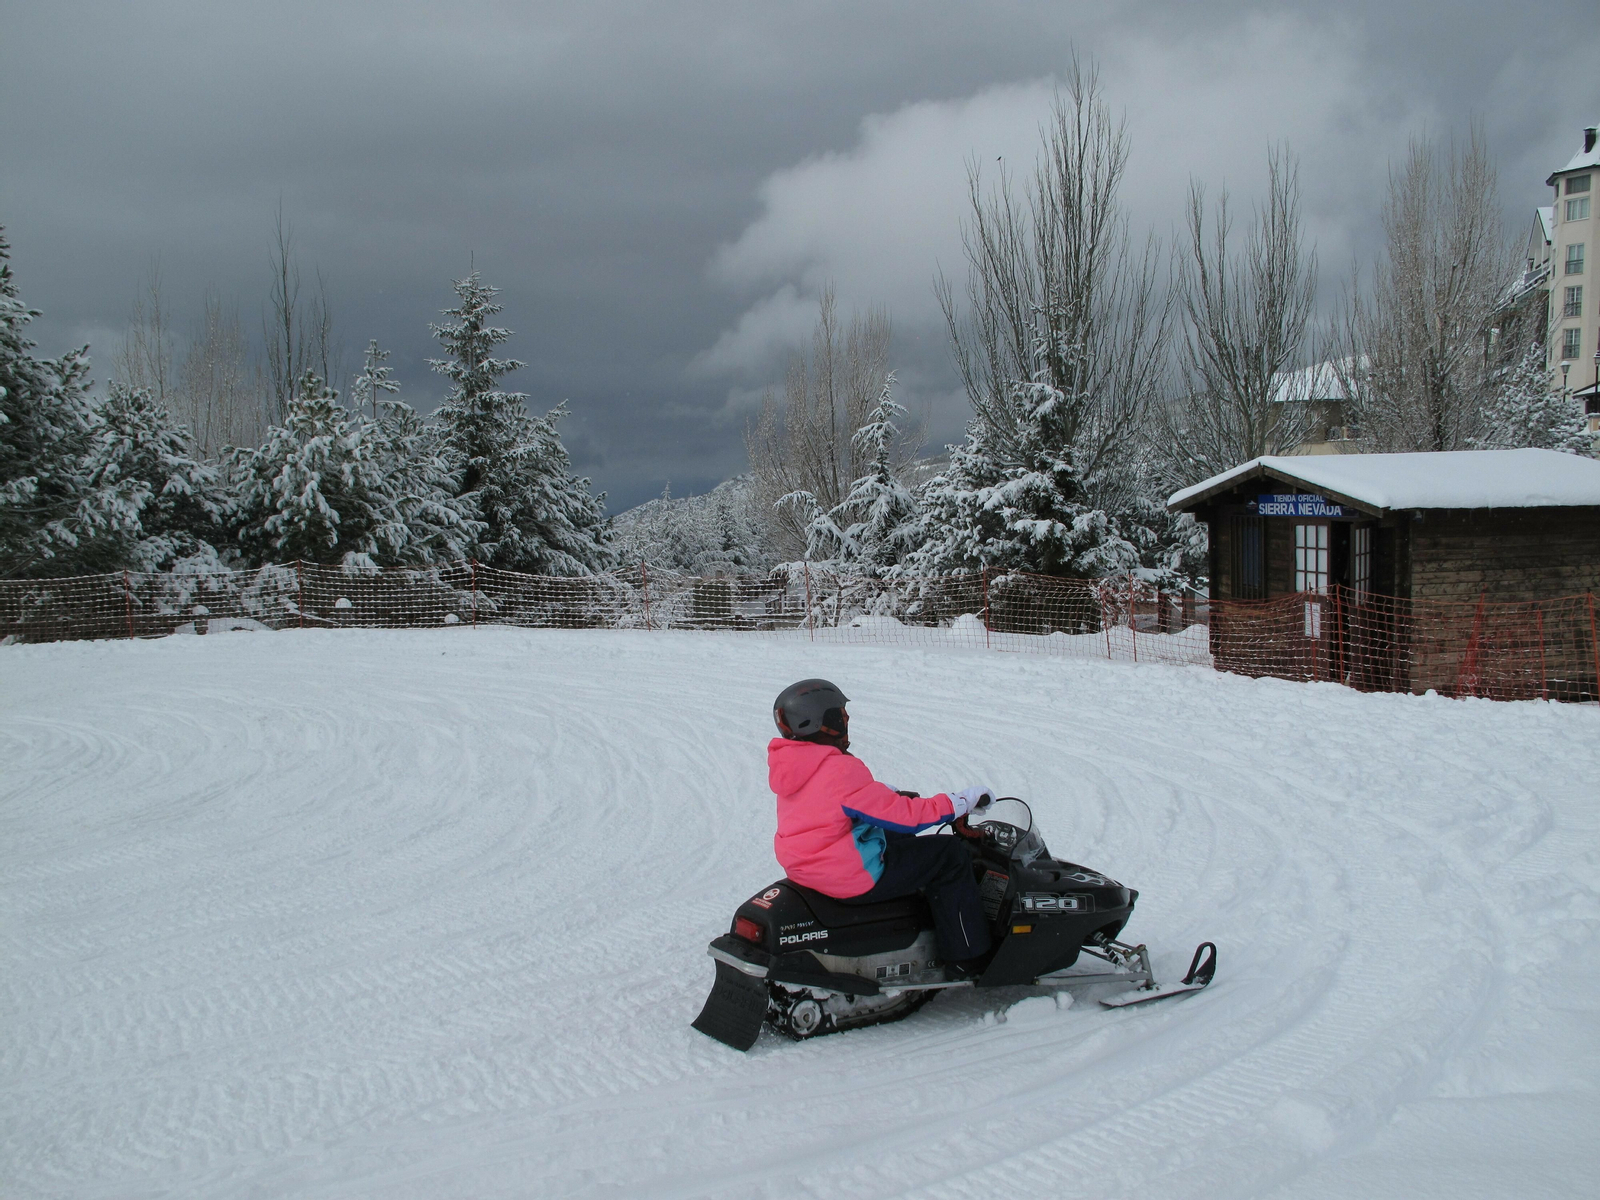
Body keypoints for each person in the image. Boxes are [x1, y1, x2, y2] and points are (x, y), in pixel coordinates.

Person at [768, 678, 993, 979]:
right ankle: (968, 955)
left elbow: (829, 807)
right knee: (948, 854)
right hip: (846, 876)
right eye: (841, 715)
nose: (846, 722)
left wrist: (884, 794)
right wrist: (960, 803)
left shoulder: (795, 764)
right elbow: (908, 818)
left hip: (810, 867)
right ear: (825, 722)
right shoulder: (839, 769)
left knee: (896, 837)